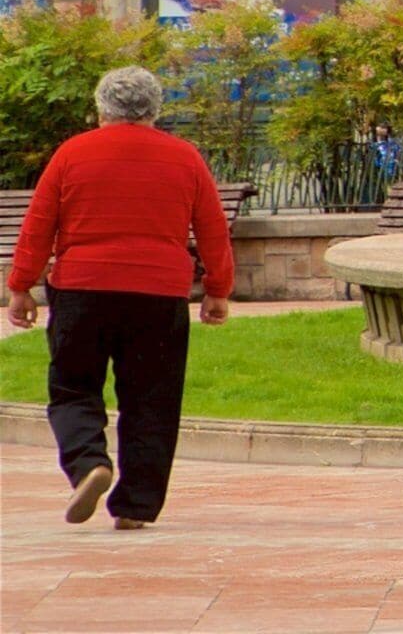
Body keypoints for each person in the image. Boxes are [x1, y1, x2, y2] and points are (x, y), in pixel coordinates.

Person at [4, 66, 234, 529]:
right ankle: (135, 506)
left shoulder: (72, 154)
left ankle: (89, 462)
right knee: (153, 398)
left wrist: (20, 286)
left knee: (72, 386)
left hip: (82, 289)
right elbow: (212, 229)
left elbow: (39, 224)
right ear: (155, 108)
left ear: (101, 107)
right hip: (158, 293)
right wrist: (217, 290)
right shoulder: (185, 158)